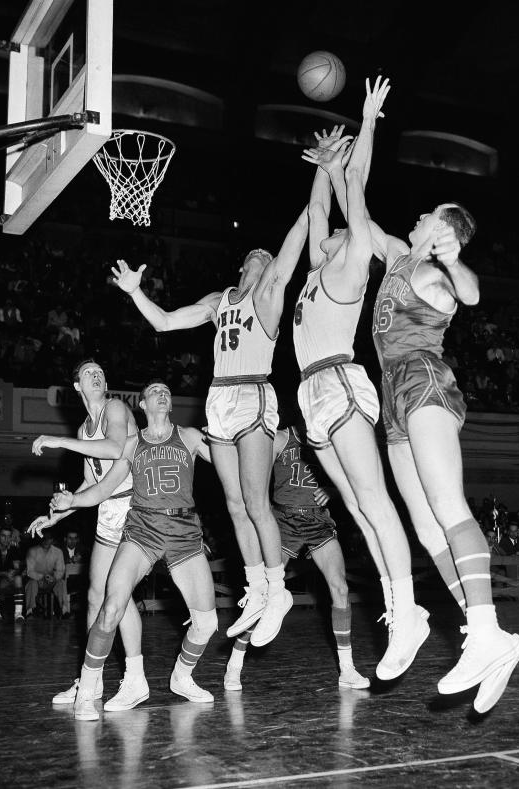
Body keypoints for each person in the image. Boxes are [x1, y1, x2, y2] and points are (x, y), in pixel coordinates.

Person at [359, 130, 519, 712]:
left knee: (449, 506)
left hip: (424, 381)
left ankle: (485, 632)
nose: (419, 214)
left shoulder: (436, 274)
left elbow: (474, 297)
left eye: (430, 215)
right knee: (425, 529)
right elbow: (358, 212)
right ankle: (491, 637)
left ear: (444, 233)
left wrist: (455, 259)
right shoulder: (397, 258)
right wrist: (346, 154)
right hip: (393, 398)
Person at [110, 188, 312, 648]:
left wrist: (313, 195)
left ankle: (278, 589)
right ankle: (257, 588)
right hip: (218, 399)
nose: (266, 260)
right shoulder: (219, 301)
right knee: (234, 503)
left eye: (269, 258)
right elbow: (162, 322)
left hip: (253, 391)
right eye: (257, 257)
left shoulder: (269, 297)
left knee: (257, 501)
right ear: (244, 266)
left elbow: (293, 246)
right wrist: (136, 292)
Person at [296, 77, 428, 679]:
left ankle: (407, 610)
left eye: (348, 224)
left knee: (375, 499)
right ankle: (395, 599)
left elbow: (354, 189)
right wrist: (323, 164)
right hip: (311, 392)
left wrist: (367, 122)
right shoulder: (323, 254)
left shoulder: (352, 260)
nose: (328, 230)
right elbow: (321, 205)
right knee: (354, 506)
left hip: (340, 383)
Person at [50, 380, 219, 721]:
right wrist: (74, 500)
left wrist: (224, 436)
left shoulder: (188, 437)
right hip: (142, 529)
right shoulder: (132, 443)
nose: (162, 394)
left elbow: (231, 466)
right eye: (154, 390)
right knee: (111, 606)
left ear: (170, 404)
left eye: (166, 392)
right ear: (142, 404)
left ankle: (182, 676)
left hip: (184, 531)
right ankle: (89, 690)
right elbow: (102, 489)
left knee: (207, 623)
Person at [29, 360, 147, 711]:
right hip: (107, 509)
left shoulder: (115, 408)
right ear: (77, 387)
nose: (97, 374)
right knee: (95, 597)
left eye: (100, 371)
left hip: (133, 507)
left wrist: (54, 440)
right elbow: (90, 484)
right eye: (88, 372)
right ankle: (90, 682)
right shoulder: (83, 430)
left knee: (117, 594)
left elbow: (113, 449)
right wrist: (55, 517)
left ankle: (135, 678)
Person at [224, 420, 370, 692]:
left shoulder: (329, 442)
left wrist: (333, 489)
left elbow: (355, 482)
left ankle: (347, 669)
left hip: (318, 521)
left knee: (340, 587)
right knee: (265, 594)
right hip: (284, 521)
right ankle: (235, 664)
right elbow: (253, 474)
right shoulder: (281, 438)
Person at [24, 533, 68, 617]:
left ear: (52, 540)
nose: (46, 541)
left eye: (49, 538)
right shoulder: (32, 551)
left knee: (61, 583)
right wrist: (41, 577)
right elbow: (30, 571)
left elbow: (60, 570)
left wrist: (54, 577)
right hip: (37, 580)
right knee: (31, 583)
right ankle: (29, 611)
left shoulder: (58, 552)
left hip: (51, 581)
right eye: (44, 538)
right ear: (40, 539)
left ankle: (64, 610)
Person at [0, 525, 24, 621]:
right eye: (3, 536)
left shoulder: (14, 548)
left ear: (11, 537)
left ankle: (18, 613)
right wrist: (4, 574)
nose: (6, 539)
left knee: (18, 578)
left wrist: (13, 572)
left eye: (9, 536)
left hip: (8, 578)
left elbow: (17, 567)